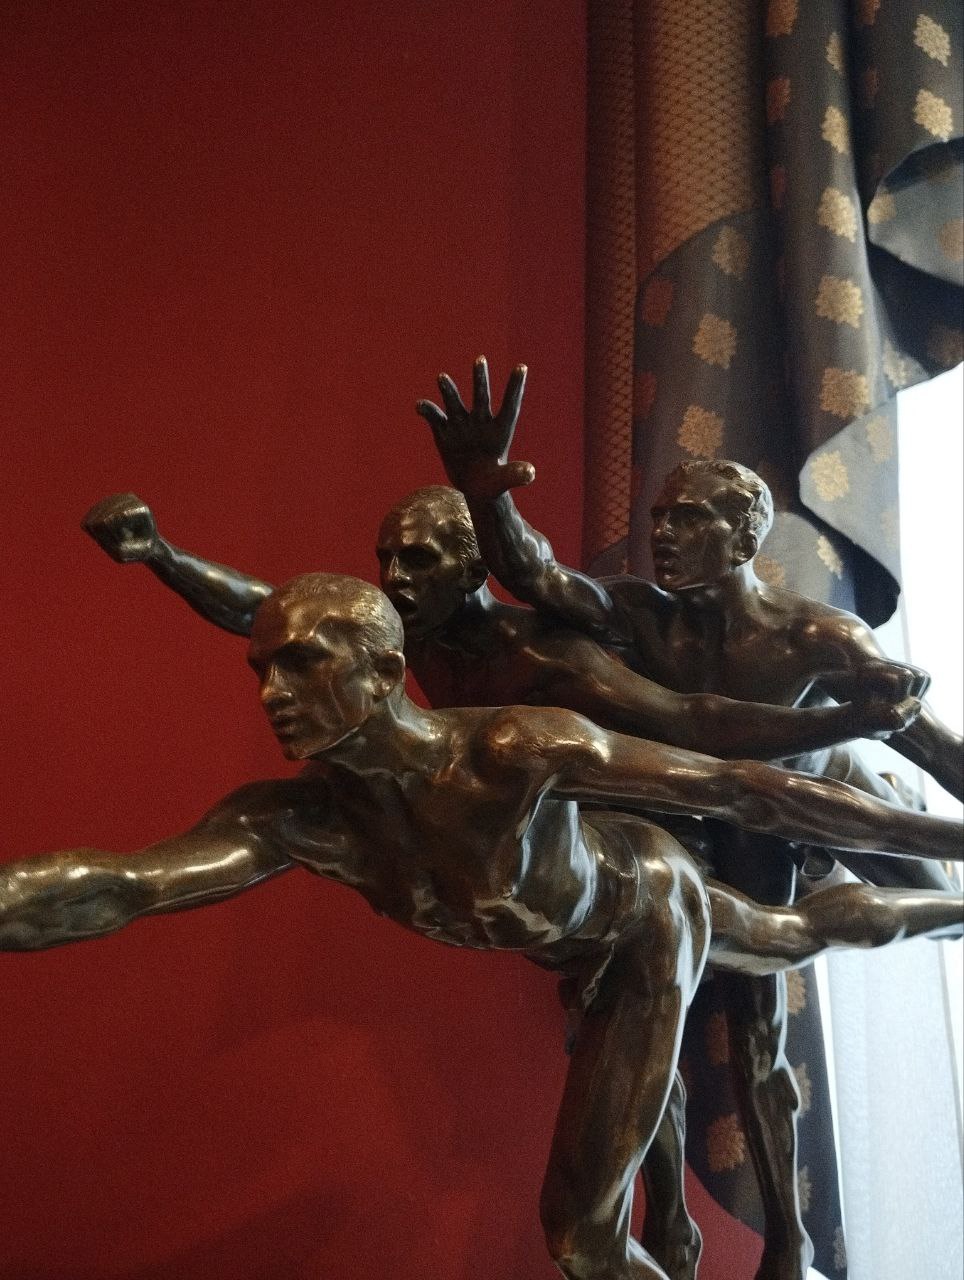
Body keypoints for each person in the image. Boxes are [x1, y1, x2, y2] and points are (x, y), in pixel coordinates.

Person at [2, 573, 962, 1280]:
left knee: (592, 1221)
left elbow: (741, 790)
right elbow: (128, 884)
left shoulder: (510, 750)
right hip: (573, 945)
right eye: (262, 669)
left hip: (644, 914)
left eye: (302, 662)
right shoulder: (296, 822)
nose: (272, 694)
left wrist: (945, 837)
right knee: (777, 950)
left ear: (384, 670)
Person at [417, 356, 964, 1279]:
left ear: (743, 535)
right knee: (654, 1008)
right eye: (660, 517)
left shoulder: (815, 636)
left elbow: (929, 741)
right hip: (695, 817)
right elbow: (539, 577)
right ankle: (708, 1231)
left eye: (689, 518)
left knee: (777, 1025)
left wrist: (888, 726)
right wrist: (485, 495)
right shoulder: (640, 616)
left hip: (791, 814)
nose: (663, 533)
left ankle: (787, 1239)